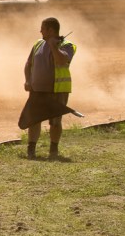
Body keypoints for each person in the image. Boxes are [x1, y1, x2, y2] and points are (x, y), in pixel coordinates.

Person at [18, 17, 81, 160]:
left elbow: (61, 60)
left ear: (51, 30)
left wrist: (53, 46)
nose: (40, 31)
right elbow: (28, 63)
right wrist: (28, 80)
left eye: (43, 29)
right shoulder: (38, 44)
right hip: (37, 90)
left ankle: (53, 150)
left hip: (57, 90)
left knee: (55, 122)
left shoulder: (67, 45)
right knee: (34, 120)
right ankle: (31, 150)